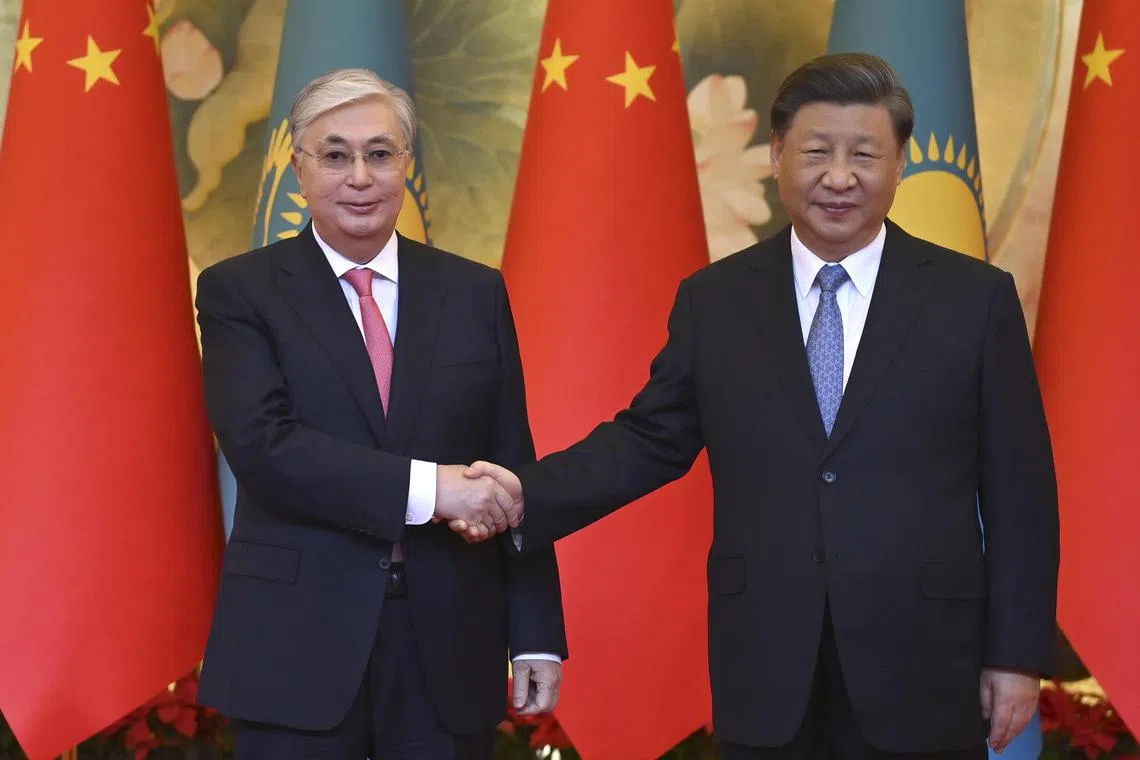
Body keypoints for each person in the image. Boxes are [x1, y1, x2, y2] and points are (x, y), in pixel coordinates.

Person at [464, 53, 1059, 759]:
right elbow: (650, 439)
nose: (839, 177)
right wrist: (523, 492)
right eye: (815, 152)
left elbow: (1021, 494)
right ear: (776, 154)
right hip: (769, 662)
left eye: (864, 154)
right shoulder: (717, 302)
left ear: (900, 162)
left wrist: (1017, 654)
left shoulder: (975, 301)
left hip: (925, 660)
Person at [195, 68, 567, 760]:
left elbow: (512, 461)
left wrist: (537, 630)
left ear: (406, 165)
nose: (359, 176)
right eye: (334, 155)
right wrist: (435, 489)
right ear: (298, 169)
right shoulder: (239, 293)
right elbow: (264, 447)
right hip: (295, 644)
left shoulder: (473, 293)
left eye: (380, 153)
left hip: (447, 642)